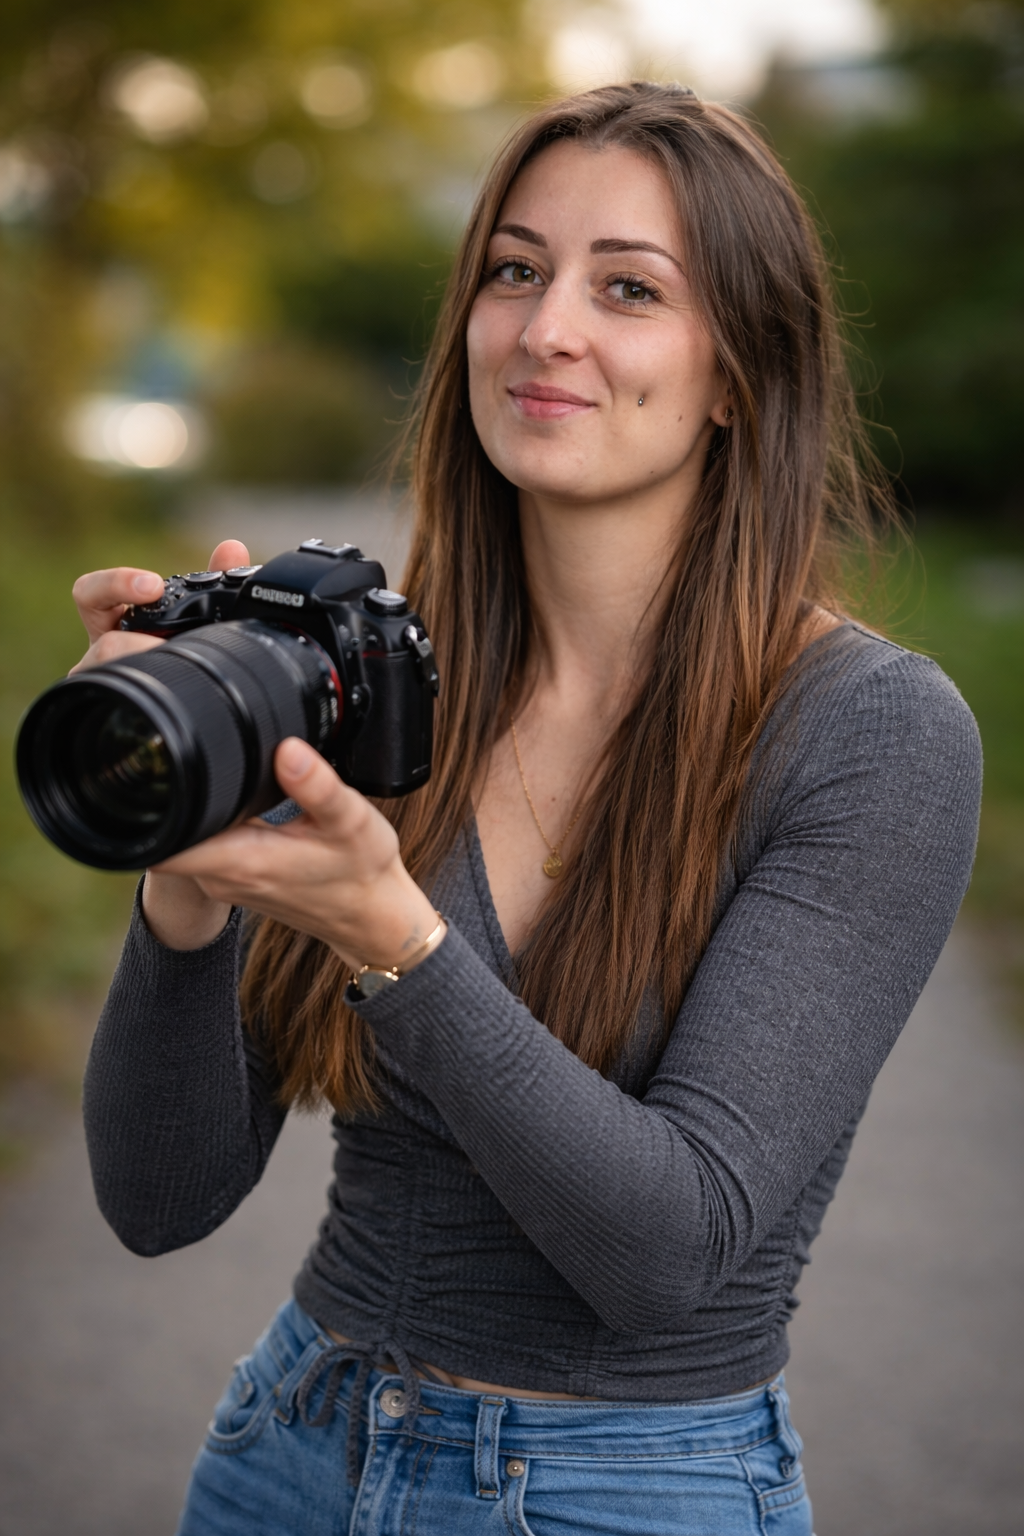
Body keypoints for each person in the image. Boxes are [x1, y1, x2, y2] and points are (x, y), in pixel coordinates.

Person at [75, 83, 981, 1535]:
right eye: (514, 269)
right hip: (288, 1454)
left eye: (628, 287)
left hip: (627, 1489)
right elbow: (157, 1196)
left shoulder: (871, 735)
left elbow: (669, 1251)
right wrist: (181, 885)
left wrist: (395, 937)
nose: (548, 326)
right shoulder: (369, 680)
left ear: (739, 372)